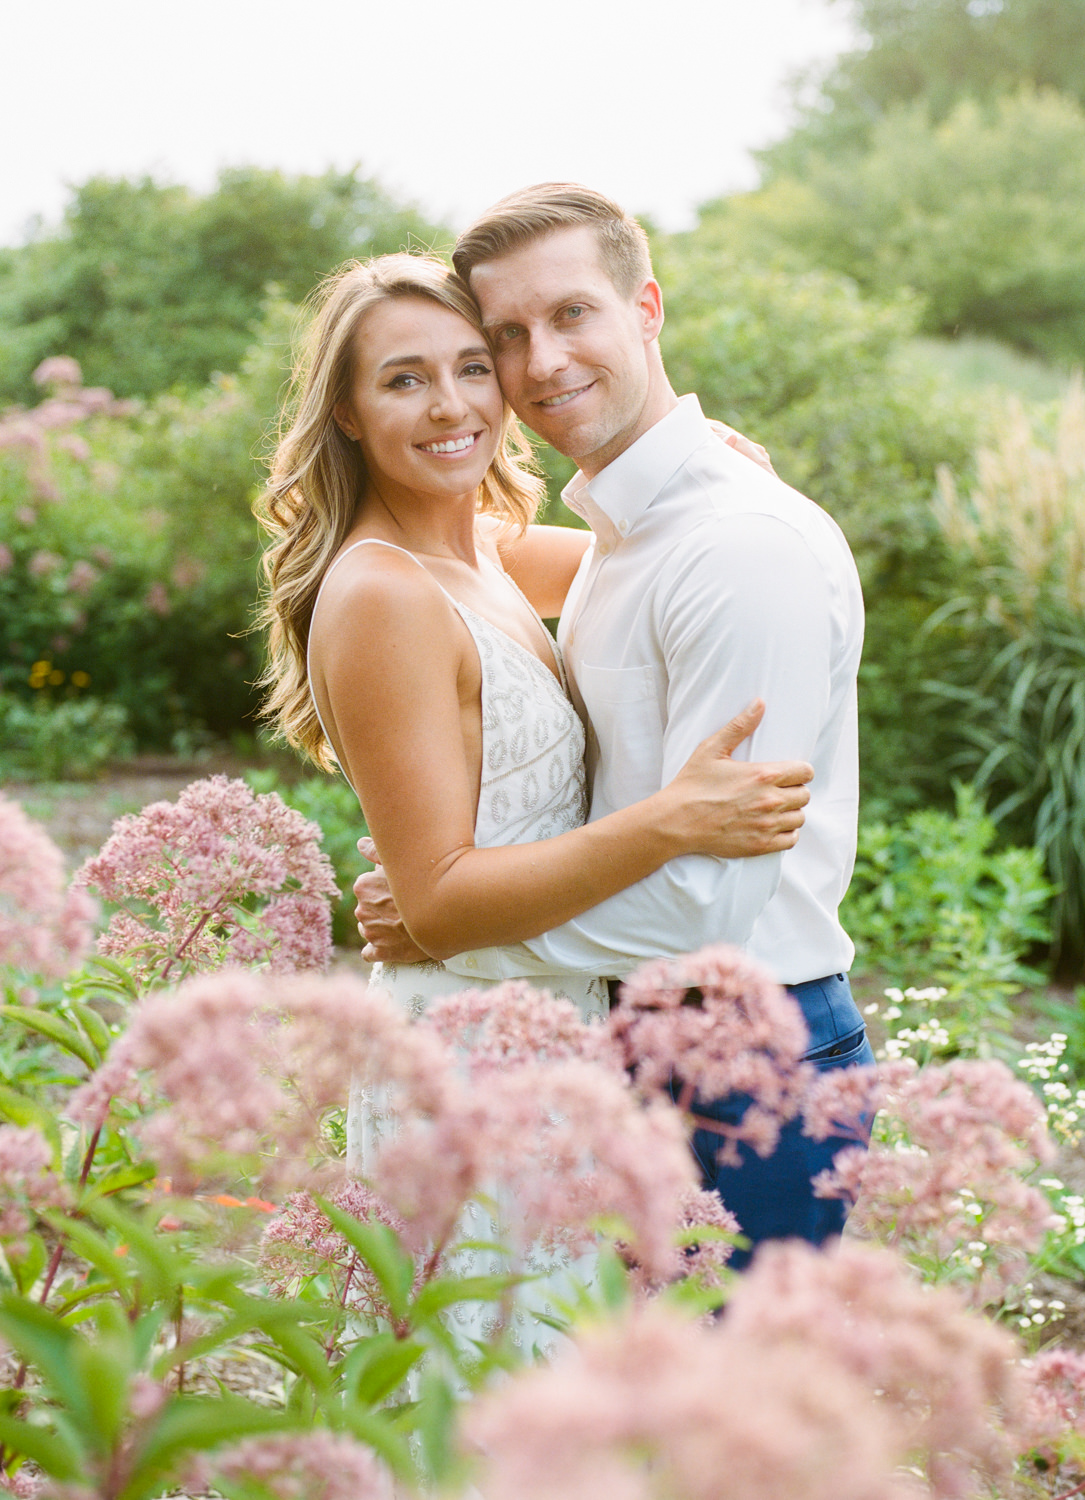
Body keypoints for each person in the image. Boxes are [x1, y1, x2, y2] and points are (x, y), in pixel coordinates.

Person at [254, 253, 815, 1312]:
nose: (453, 403)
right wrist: (668, 822)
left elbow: (670, 542)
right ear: (345, 411)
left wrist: (723, 467)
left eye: (473, 366)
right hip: (471, 1066)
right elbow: (439, 902)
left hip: (556, 1040)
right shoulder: (382, 593)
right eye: (404, 379)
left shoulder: (487, 553)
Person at [355, 185, 874, 1267]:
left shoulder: (736, 545)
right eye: (506, 335)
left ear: (645, 307)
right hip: (611, 1050)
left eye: (572, 315)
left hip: (737, 1058)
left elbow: (705, 910)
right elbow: (453, 560)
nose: (539, 361)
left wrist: (451, 921)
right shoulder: (624, 531)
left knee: (733, 1423)